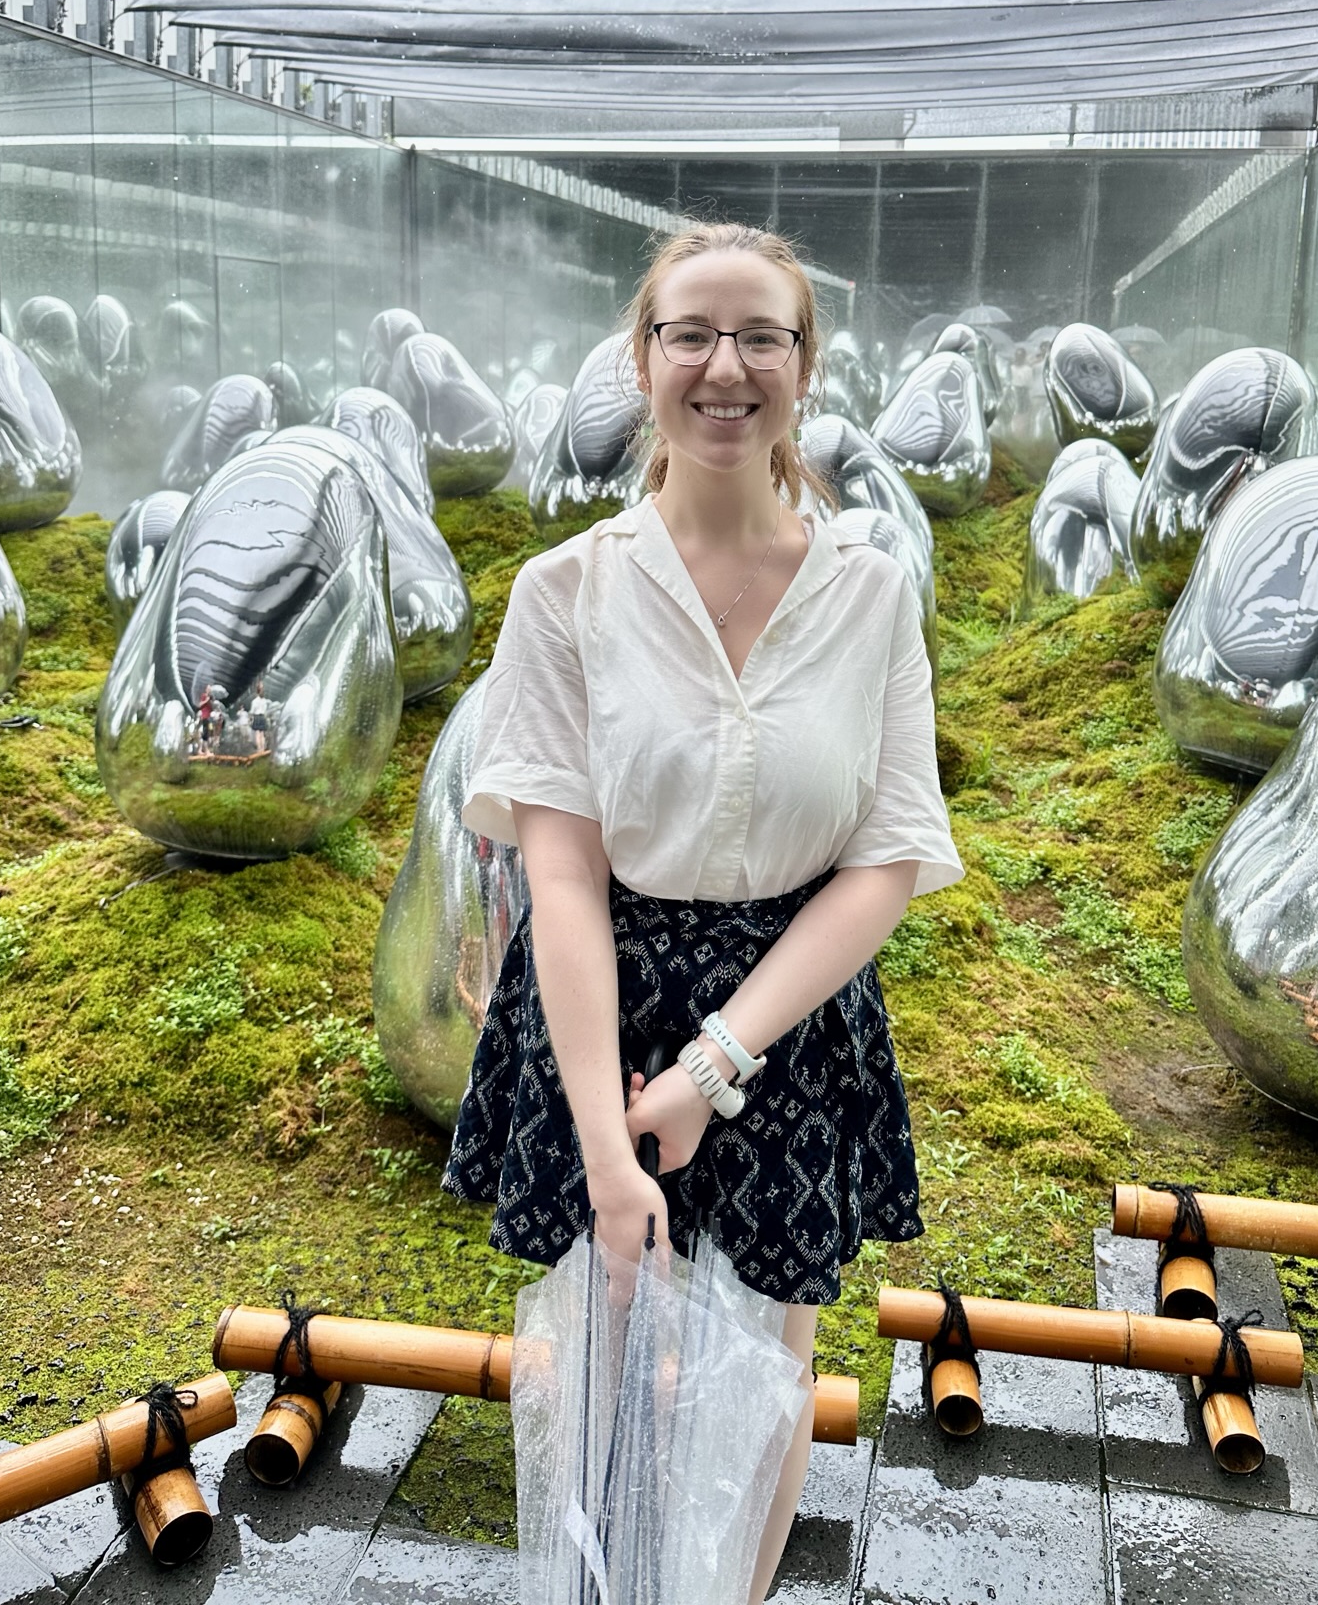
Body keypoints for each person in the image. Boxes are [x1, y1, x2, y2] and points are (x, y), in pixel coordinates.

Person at [443, 222, 962, 1602]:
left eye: (761, 338)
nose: (724, 367)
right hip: (600, 1002)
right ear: (644, 358)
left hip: (784, 1017)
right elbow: (558, 873)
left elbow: (886, 860)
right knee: (608, 1353)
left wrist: (713, 1064)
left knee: (767, 1369)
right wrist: (613, 1148)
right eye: (692, 335)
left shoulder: (869, 593)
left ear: (805, 366)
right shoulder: (567, 594)